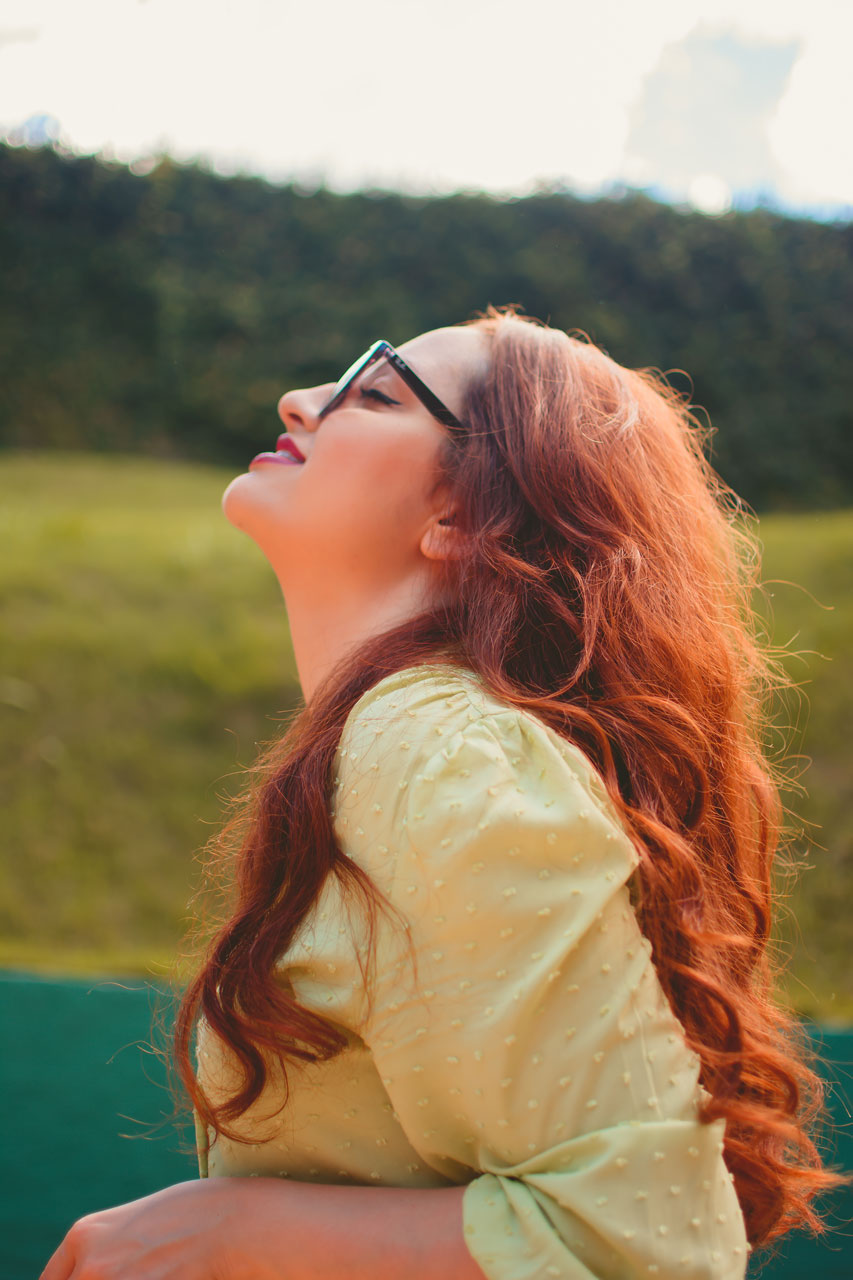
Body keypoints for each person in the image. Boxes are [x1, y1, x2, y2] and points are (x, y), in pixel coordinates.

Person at [42, 307, 845, 1280]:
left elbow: (648, 1244)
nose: (299, 400)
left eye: (373, 392)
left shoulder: (438, 749)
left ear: (462, 515)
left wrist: (227, 1234)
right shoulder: (412, 742)